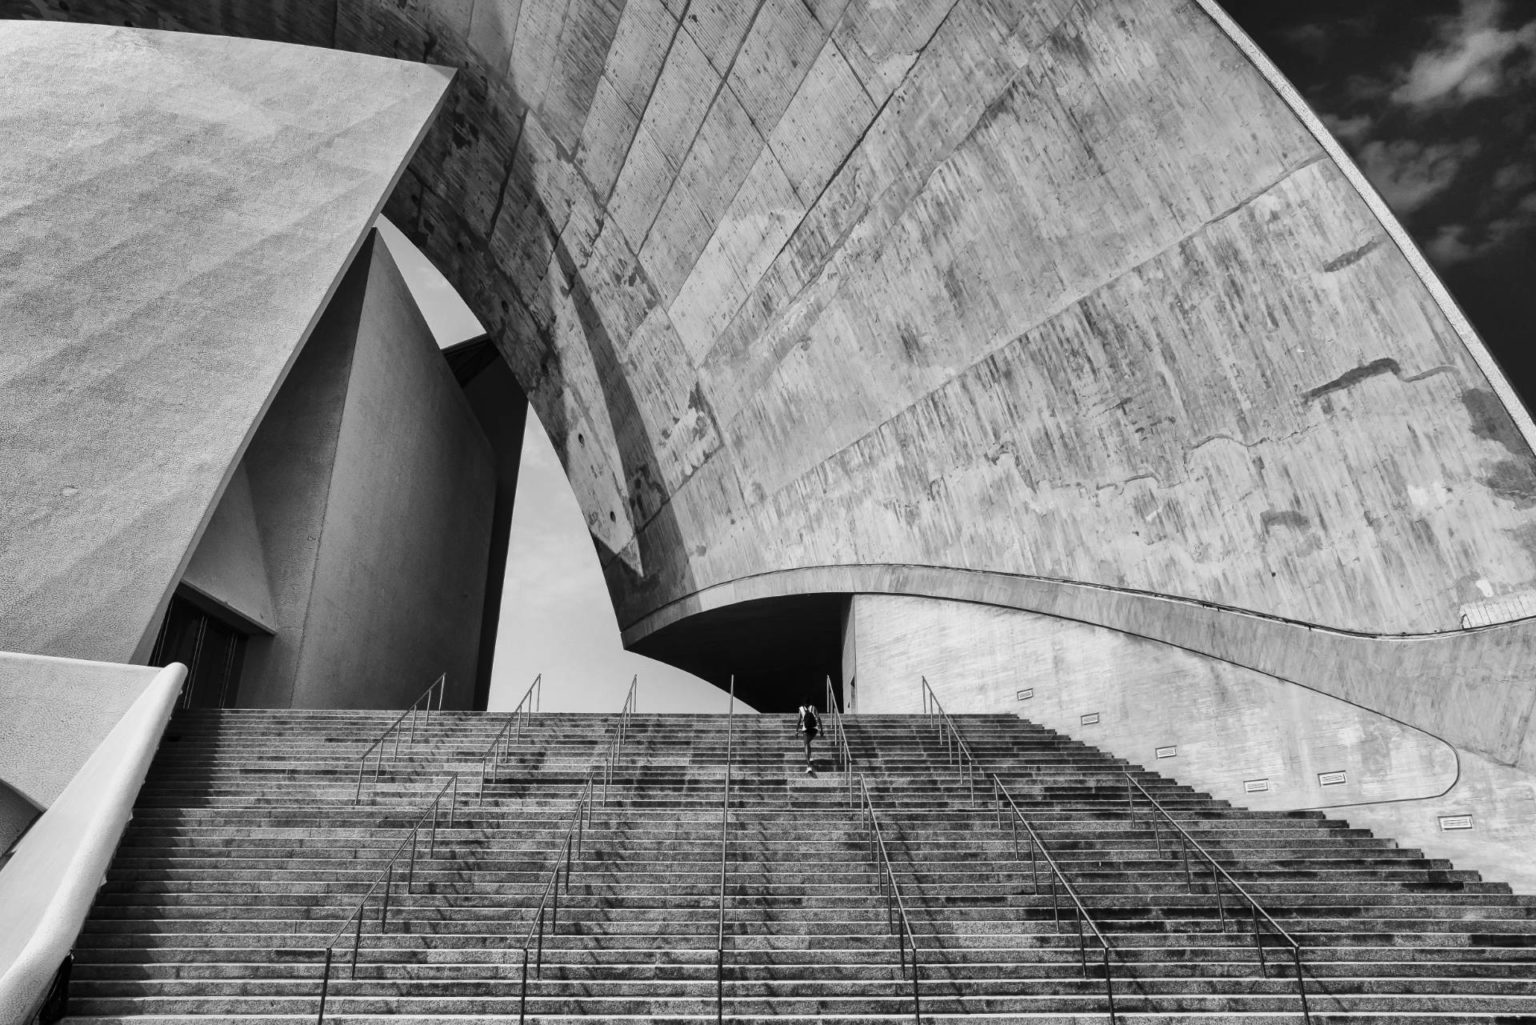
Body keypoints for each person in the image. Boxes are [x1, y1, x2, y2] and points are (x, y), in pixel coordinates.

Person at [796, 704, 820, 774]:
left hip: (806, 729)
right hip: (814, 729)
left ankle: (809, 766)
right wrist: (821, 730)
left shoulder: (801, 708)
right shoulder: (813, 707)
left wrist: (796, 731)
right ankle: (810, 758)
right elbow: (818, 718)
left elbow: (799, 720)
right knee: (808, 742)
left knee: (806, 744)